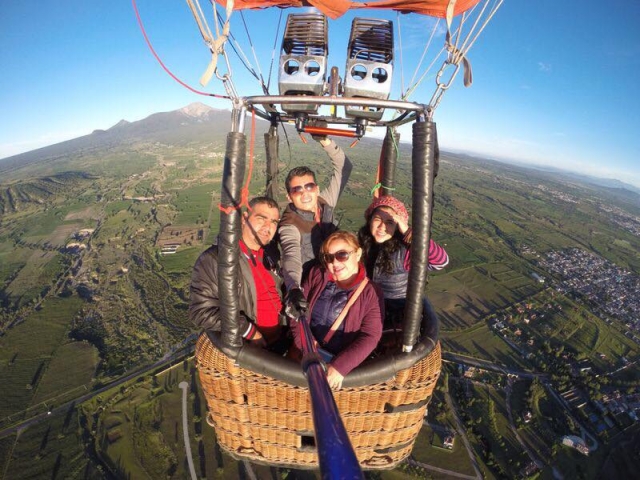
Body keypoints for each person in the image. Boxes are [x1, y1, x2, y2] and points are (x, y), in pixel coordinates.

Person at [189, 196, 288, 352]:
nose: (267, 227)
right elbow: (201, 311)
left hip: (280, 343)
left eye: (274, 222)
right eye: (261, 219)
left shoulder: (272, 255)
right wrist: (248, 331)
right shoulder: (215, 260)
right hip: (249, 351)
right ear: (244, 218)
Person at [291, 231, 383, 389]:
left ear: (358, 253)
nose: (335, 262)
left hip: (335, 366)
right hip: (303, 355)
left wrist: (340, 367)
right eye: (329, 257)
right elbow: (297, 312)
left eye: (342, 255)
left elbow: (371, 336)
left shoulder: (371, 293)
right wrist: (306, 346)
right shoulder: (317, 275)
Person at [279, 136, 353, 317]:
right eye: (297, 190)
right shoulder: (289, 224)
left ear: (317, 189)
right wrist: (294, 288)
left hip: (339, 276)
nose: (305, 193)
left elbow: (345, 168)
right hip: (314, 289)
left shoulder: (325, 201)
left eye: (309, 186)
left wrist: (325, 141)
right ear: (289, 197)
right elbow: (291, 256)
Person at [358, 195, 449, 328]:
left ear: (397, 227)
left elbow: (441, 261)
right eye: (378, 219)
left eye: (390, 222)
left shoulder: (405, 250)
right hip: (368, 309)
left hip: (396, 316)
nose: (382, 227)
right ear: (370, 220)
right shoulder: (364, 243)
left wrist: (408, 232)